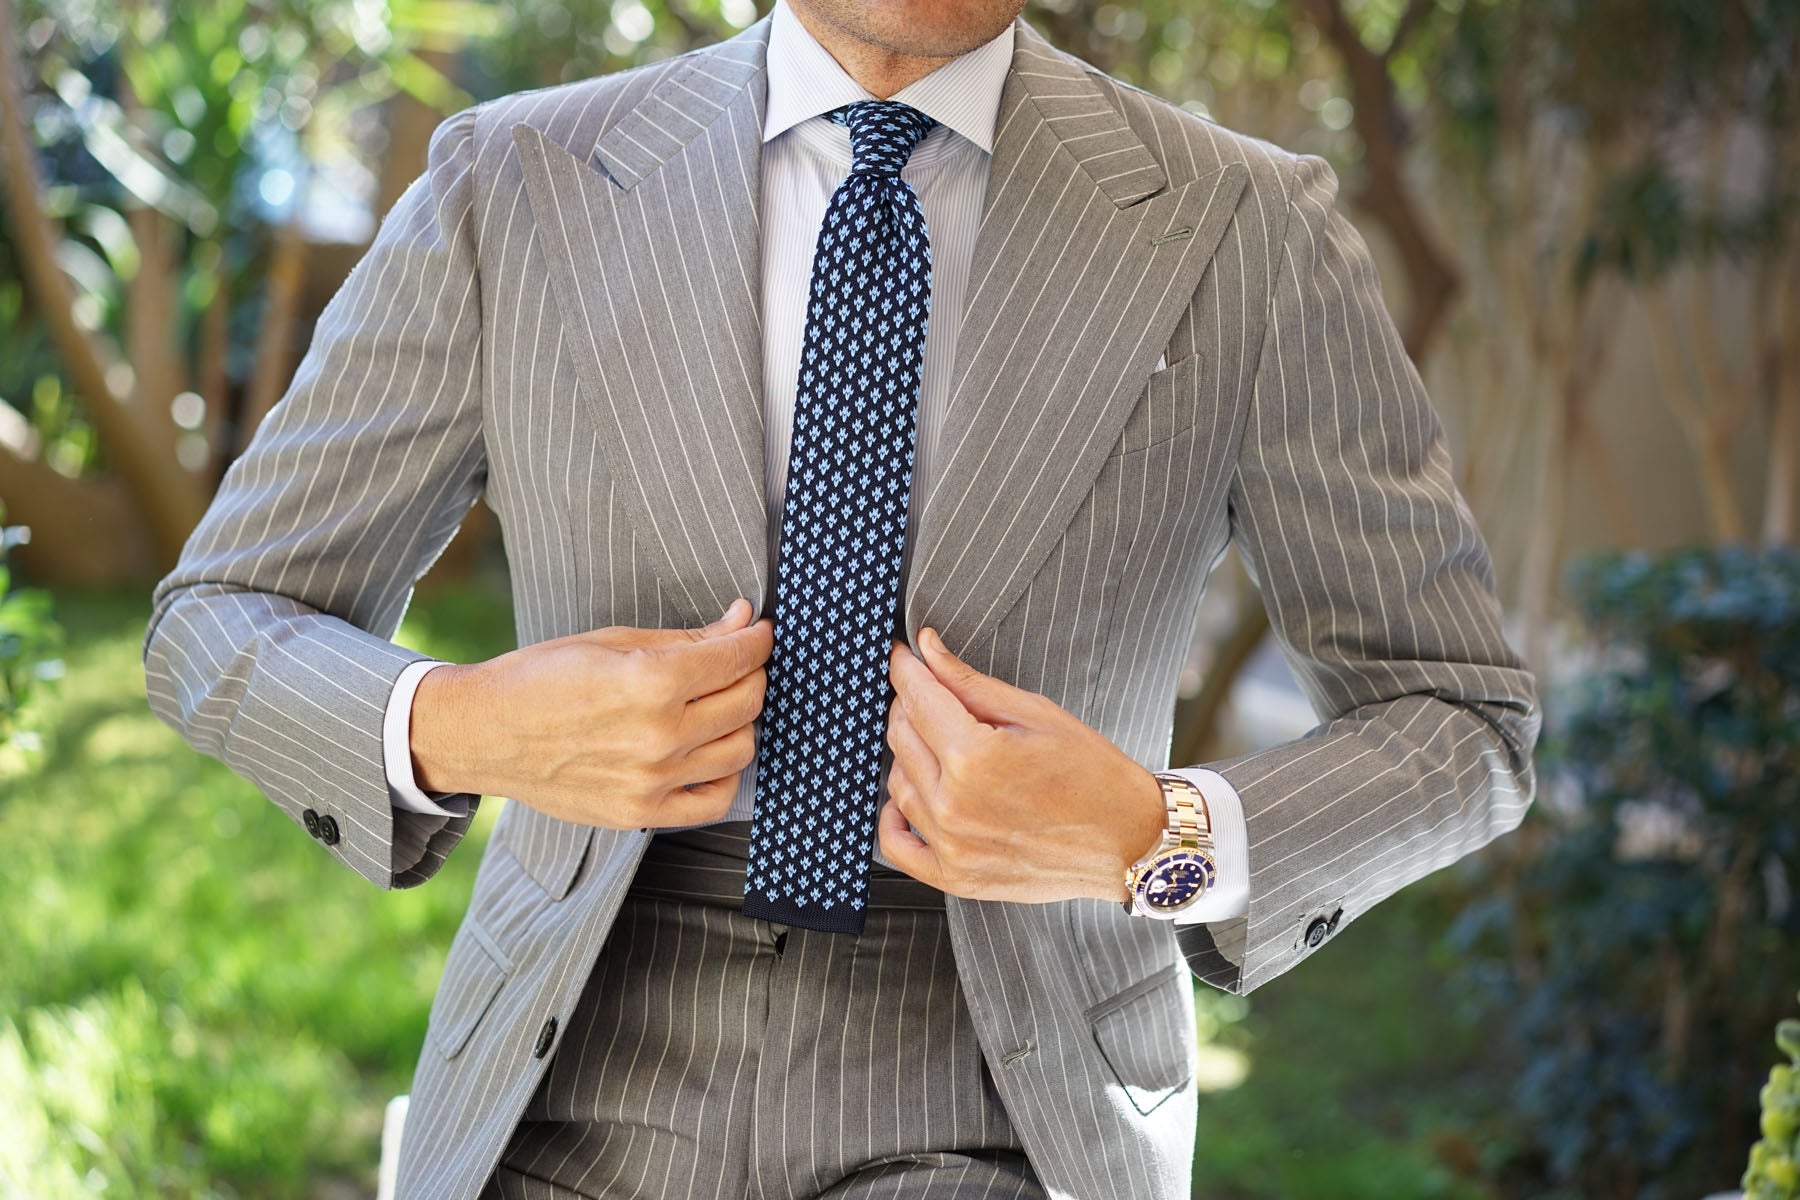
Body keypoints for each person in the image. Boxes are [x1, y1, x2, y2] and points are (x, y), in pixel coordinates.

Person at [142, 0, 1540, 1195]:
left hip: (1003, 1082)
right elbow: (219, 616)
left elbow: (1461, 720)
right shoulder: (509, 183)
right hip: (569, 1069)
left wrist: (1152, 835)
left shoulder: (1248, 230)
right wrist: (454, 727)